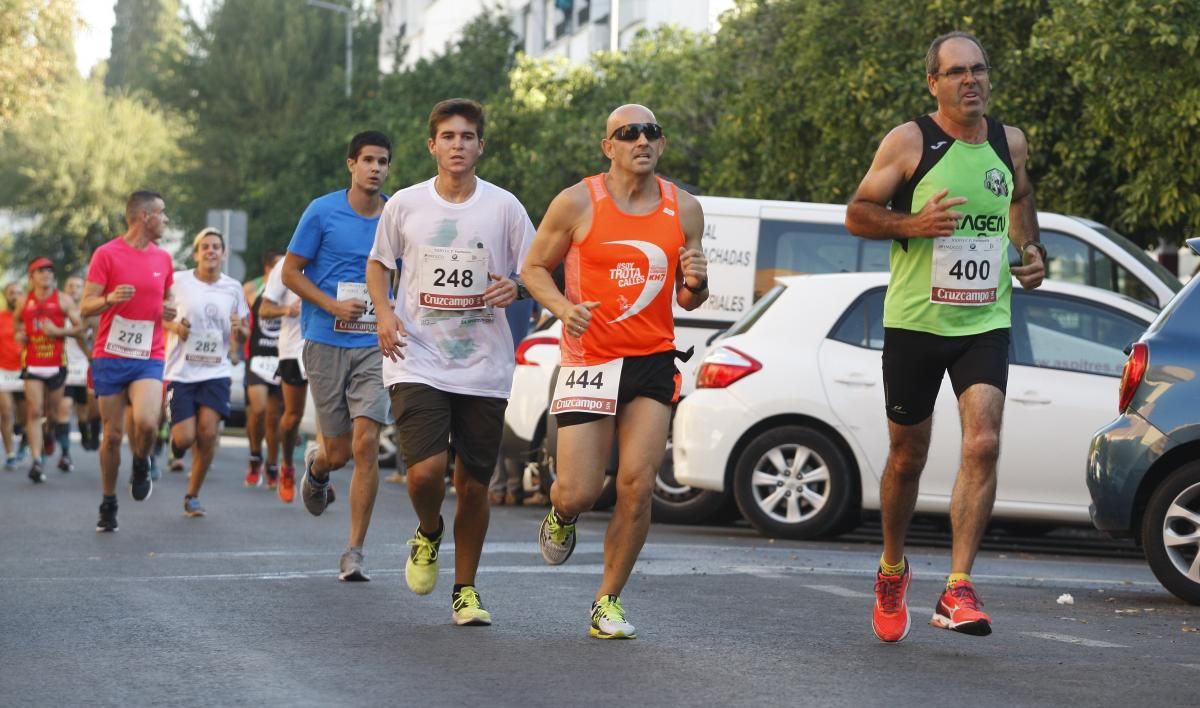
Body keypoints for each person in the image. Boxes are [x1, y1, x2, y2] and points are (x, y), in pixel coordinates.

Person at [843, 31, 1045, 642]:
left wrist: (1031, 248)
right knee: (908, 456)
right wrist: (914, 222)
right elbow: (857, 212)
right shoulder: (911, 142)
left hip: (985, 320)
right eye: (956, 71)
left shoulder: (1009, 142)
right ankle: (892, 567)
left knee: (982, 441)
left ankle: (958, 586)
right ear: (934, 82)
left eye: (979, 69)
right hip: (914, 323)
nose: (971, 80)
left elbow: (1023, 198)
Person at [521, 104, 709, 639]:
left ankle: (608, 601)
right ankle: (561, 513)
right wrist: (562, 309)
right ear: (609, 146)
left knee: (636, 485)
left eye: (651, 133)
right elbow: (533, 268)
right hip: (589, 358)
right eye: (628, 133)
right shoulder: (578, 201)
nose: (641, 140)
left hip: (652, 360)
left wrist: (696, 281)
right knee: (579, 490)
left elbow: (691, 299)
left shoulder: (685, 208)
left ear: (661, 144)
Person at [368, 98, 535, 626]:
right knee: (425, 474)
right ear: (432, 145)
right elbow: (378, 264)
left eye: (467, 136)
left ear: (480, 145)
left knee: (473, 486)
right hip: (417, 354)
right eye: (448, 136)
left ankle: (466, 589)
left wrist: (519, 285)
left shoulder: (505, 207)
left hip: (484, 363)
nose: (458, 144)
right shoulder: (407, 205)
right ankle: (428, 531)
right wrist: (384, 313)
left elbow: (536, 269)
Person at [282, 130, 392, 580]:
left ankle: (354, 550)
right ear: (351, 164)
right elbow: (291, 272)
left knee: (367, 442)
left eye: (383, 162)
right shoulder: (322, 211)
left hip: (374, 345)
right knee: (341, 452)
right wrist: (329, 304)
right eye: (368, 160)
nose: (375, 169)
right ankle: (318, 465)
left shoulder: (396, 216)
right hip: (325, 341)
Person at [81, 190, 178, 531]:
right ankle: (108, 501)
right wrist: (108, 299)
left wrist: (169, 310)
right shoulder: (107, 254)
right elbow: (85, 306)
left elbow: (168, 301)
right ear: (144, 217)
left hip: (148, 354)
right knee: (112, 435)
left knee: (148, 423)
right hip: (110, 354)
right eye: (162, 213)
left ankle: (141, 463)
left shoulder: (163, 259)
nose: (166, 220)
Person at [163, 228, 250, 516]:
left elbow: (246, 331)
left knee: (208, 434)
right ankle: (175, 445)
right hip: (182, 371)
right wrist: (175, 327)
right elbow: (159, 315)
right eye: (205, 247)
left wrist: (241, 331)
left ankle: (192, 494)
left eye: (216, 246)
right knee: (185, 438)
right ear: (196, 253)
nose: (211, 251)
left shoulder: (233, 288)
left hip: (215, 371)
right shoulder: (178, 282)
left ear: (224, 254)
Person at [14, 257, 84, 483]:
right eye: (40, 271)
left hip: (56, 364)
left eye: (49, 271)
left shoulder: (63, 300)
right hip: (32, 363)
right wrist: (20, 335)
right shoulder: (24, 300)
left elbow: (80, 328)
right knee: (34, 411)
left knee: (52, 414)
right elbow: (17, 324)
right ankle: (37, 461)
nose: (46, 275)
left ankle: (50, 433)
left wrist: (58, 332)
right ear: (31, 276)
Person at [259, 255, 305, 503]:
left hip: (328, 345)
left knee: (327, 415)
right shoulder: (286, 264)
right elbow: (265, 309)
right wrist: (288, 309)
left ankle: (320, 474)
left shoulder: (337, 255)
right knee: (292, 417)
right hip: (293, 350)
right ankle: (287, 466)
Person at [242, 251, 284, 489]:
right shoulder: (251, 289)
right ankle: (255, 455)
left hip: (279, 357)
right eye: (278, 266)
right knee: (257, 410)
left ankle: (272, 464)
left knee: (273, 416)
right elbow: (241, 317)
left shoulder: (291, 290)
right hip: (257, 357)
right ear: (268, 269)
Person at [61, 275, 96, 459]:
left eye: (77, 286)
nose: (73, 289)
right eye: (70, 286)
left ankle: (84, 430)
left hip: (85, 367)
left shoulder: (89, 313)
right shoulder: (59, 312)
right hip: (65, 367)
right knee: (65, 408)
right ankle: (65, 454)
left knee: (83, 412)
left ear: (83, 290)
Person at [0, 282, 24, 470]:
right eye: (11, 293)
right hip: (3, 371)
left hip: (25, 372)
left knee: (26, 416)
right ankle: (10, 454)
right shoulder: (1, 317)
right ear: (6, 296)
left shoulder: (29, 317)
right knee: (6, 413)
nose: (15, 296)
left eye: (18, 293)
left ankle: (24, 439)